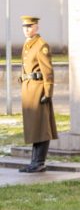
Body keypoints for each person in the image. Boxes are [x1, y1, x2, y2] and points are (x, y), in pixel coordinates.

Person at [18, 16, 56, 174]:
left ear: (36, 27)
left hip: (38, 90)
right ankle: (34, 161)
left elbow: (47, 70)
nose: (26, 29)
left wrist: (48, 92)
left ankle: (39, 162)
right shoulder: (28, 44)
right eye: (24, 26)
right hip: (29, 90)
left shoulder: (41, 45)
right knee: (35, 127)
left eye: (30, 26)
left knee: (41, 127)